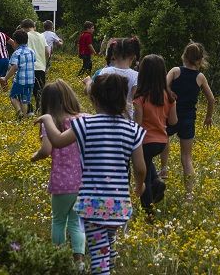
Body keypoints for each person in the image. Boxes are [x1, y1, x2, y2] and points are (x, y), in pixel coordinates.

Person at [36, 74, 147, 275]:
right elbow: (140, 168)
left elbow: (59, 140)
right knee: (108, 247)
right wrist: (140, 186)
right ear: (124, 100)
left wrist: (46, 119)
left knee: (99, 256)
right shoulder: (133, 129)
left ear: (94, 100)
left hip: (92, 204)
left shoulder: (86, 124)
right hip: (119, 204)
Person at [31, 80, 86, 271]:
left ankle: (58, 257)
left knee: (58, 220)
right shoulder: (80, 120)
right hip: (82, 181)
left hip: (61, 182)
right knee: (76, 223)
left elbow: (46, 150)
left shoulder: (50, 122)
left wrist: (34, 157)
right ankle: (79, 261)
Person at [159, 42, 215, 198]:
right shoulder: (200, 77)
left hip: (170, 115)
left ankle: (164, 168)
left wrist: (169, 91)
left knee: (164, 138)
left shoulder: (176, 71)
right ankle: (189, 194)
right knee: (186, 157)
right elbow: (211, 99)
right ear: (200, 59)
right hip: (188, 119)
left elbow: (162, 84)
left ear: (184, 56)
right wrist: (208, 117)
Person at [133, 54, 177, 219]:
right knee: (148, 162)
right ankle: (157, 183)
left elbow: (137, 126)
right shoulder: (169, 96)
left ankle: (148, 210)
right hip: (161, 141)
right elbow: (173, 121)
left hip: (144, 141)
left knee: (142, 175)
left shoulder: (140, 97)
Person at [84, 37, 140, 118]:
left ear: (113, 55)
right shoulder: (136, 76)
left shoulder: (104, 72)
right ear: (133, 56)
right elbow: (137, 103)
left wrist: (88, 82)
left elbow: (93, 92)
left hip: (104, 117)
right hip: (126, 120)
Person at [1, 29, 36, 119]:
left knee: (13, 96)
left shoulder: (16, 53)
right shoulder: (31, 51)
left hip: (20, 80)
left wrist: (5, 78)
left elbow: (14, 67)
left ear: (15, 42)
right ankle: (24, 118)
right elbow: (33, 62)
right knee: (25, 100)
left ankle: (19, 111)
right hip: (31, 80)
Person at [21, 19, 50, 114]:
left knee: (26, 90)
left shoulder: (25, 36)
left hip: (28, 67)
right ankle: (40, 109)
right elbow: (47, 52)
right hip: (41, 66)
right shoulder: (42, 36)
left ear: (23, 28)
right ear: (34, 26)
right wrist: (45, 64)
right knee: (40, 91)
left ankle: (29, 110)